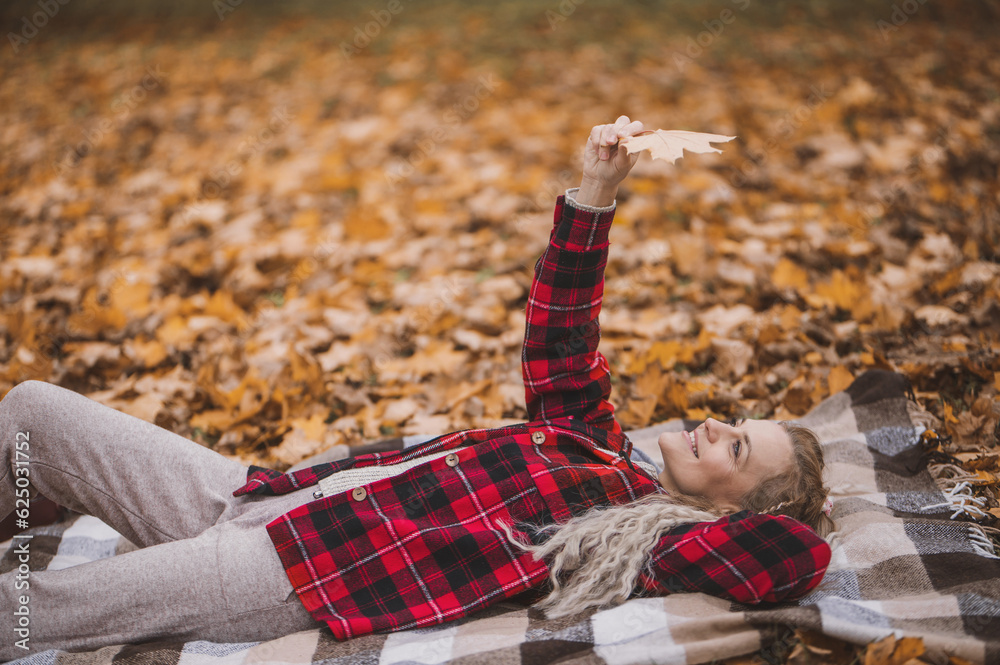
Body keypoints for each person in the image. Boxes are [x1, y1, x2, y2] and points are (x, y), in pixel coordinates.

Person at [0, 116, 832, 660]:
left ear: (738, 510)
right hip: (260, 494)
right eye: (733, 420)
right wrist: (595, 194)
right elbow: (560, 337)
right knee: (33, 412)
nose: (715, 426)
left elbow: (793, 560)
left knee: (31, 606)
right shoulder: (600, 445)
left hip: (287, 569)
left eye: (736, 446)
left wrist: (787, 516)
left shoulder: (643, 540)